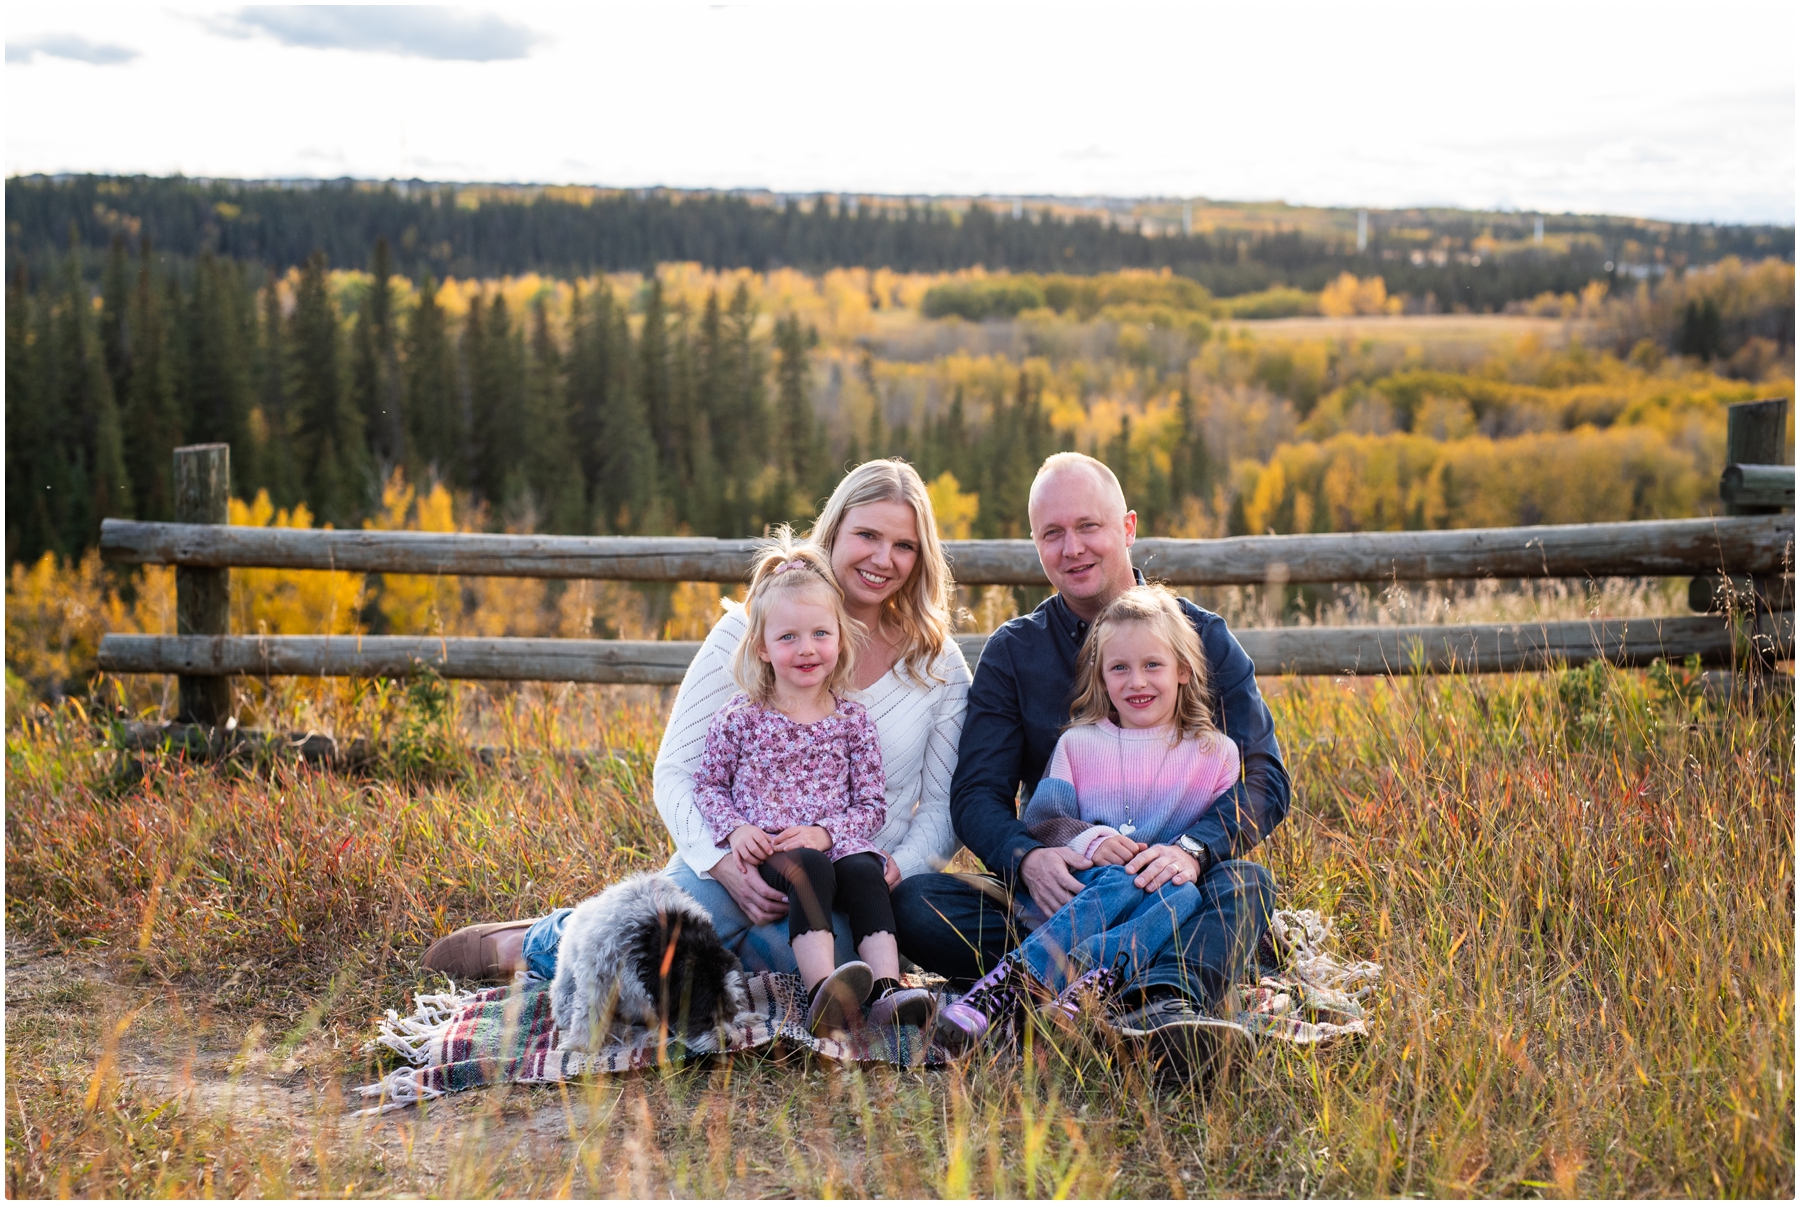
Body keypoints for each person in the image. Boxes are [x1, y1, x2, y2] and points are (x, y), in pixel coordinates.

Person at [423, 460, 970, 987]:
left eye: (905, 545)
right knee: (655, 954)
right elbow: (678, 770)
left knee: (831, 964)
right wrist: (722, 861)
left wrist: (894, 867)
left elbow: (944, 804)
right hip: (735, 861)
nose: (883, 558)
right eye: (868, 535)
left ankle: (718, 956)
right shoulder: (747, 632)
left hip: (854, 883)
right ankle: (543, 941)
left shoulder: (935, 664)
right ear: (834, 531)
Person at [890, 452, 1289, 1057]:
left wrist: (1191, 850)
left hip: (1178, 889)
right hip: (1064, 895)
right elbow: (976, 796)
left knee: (1247, 887)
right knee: (916, 905)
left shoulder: (1200, 639)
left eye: (1088, 527)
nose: (1072, 548)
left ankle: (1163, 1008)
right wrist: (1028, 859)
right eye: (1052, 534)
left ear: (1126, 528)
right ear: (1036, 544)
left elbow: (1264, 778)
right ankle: (1115, 980)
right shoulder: (1014, 652)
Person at [933, 584, 1243, 1050]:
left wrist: (1182, 857)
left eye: (1152, 665)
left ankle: (1071, 984)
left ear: (1183, 670)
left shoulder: (1215, 753)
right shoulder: (1080, 744)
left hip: (1173, 898)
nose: (1136, 681)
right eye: (1120, 668)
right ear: (1100, 677)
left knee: (1186, 894)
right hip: (1086, 890)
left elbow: (1227, 831)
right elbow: (1044, 819)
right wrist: (1091, 840)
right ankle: (1025, 986)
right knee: (1119, 881)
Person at [693, 532, 935, 1034]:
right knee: (807, 868)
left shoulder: (851, 720)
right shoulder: (741, 717)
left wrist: (827, 833)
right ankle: (824, 989)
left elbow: (871, 805)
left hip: (834, 842)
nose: (807, 650)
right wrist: (737, 831)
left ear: (840, 638)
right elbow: (708, 786)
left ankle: (889, 989)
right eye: (788, 638)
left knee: (866, 870)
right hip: (777, 849)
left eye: (820, 634)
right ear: (761, 646)